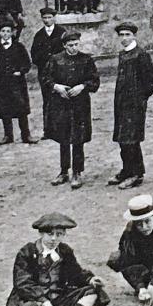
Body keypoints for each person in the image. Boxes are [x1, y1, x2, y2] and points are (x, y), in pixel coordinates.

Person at [4, 212, 108, 306]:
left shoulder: (64, 251)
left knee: (94, 292)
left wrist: (90, 279)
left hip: (58, 296)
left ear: (64, 235)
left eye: (59, 235)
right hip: (33, 299)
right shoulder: (26, 252)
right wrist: (44, 301)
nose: (54, 239)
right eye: (50, 234)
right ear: (41, 233)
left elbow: (75, 273)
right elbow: (22, 284)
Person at [42, 29, 101, 188]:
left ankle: (77, 172)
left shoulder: (86, 60)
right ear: (64, 45)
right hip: (61, 104)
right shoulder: (55, 60)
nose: (74, 48)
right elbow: (46, 79)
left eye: (76, 44)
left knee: (78, 139)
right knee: (63, 138)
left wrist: (82, 86)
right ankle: (63, 171)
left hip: (80, 105)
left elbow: (95, 81)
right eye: (70, 45)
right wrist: (57, 87)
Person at [110, 21, 153, 188]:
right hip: (121, 104)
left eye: (127, 35)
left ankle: (136, 174)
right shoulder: (123, 54)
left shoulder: (141, 55)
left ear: (134, 36)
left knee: (132, 139)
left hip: (135, 105)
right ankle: (126, 170)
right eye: (121, 35)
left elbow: (152, 80)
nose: (124, 38)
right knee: (123, 139)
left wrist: (141, 98)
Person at [0, 17, 35, 145]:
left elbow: (27, 63)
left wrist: (20, 71)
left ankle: (26, 135)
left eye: (8, 31)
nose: (5, 34)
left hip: (17, 82)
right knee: (5, 108)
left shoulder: (18, 46)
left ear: (12, 33)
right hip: (1, 82)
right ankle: (8, 135)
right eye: (3, 31)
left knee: (21, 108)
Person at [29, 8, 65, 77]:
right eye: (44, 18)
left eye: (49, 17)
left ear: (54, 18)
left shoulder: (61, 32)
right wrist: (41, 63)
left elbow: (65, 49)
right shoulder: (39, 34)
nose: (47, 20)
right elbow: (34, 52)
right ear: (42, 18)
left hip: (59, 68)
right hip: (43, 70)